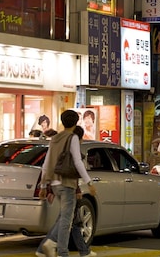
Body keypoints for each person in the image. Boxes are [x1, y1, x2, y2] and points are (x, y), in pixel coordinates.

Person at [36, 110, 97, 257]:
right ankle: (62, 252)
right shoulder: (73, 138)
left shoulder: (55, 138)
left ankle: (50, 244)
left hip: (55, 184)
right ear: (76, 122)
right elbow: (77, 161)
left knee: (65, 216)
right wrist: (89, 182)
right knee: (66, 220)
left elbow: (47, 163)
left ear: (62, 121)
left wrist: (44, 185)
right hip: (67, 182)